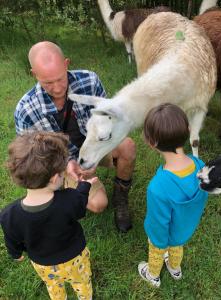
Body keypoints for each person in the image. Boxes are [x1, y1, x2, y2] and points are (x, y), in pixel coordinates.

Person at [14, 41, 136, 233]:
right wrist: (65, 166)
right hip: (62, 163)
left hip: (95, 148)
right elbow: (31, 160)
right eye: (47, 82)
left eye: (60, 79)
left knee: (127, 146)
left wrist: (97, 155)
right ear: (34, 74)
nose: (56, 88)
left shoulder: (90, 80)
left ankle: (121, 198)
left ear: (66, 63)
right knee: (98, 204)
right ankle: (61, 192)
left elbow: (110, 122)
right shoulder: (26, 110)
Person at [0, 131, 100, 300]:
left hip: (43, 264)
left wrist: (15, 253)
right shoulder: (69, 199)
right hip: (75, 259)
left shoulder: (8, 215)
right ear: (55, 178)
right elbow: (80, 205)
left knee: (53, 286)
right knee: (81, 282)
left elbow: (12, 238)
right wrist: (84, 186)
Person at [138, 103, 208, 288]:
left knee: (157, 251)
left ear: (151, 143)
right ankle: (175, 268)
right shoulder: (200, 166)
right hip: (185, 229)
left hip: (162, 237)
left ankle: (153, 274)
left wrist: (159, 242)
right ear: (188, 130)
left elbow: (158, 222)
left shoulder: (158, 187)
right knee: (177, 247)